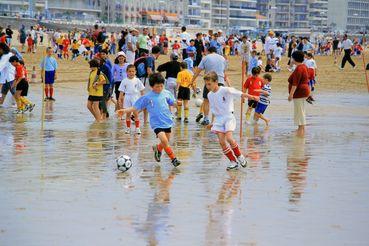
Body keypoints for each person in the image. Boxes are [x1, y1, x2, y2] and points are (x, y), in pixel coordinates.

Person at [117, 73, 181, 167]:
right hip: (156, 124)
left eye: (161, 86)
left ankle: (157, 149)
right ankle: (173, 159)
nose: (159, 88)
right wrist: (124, 110)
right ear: (151, 86)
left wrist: (177, 103)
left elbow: (172, 103)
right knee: (165, 141)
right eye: (157, 86)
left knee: (165, 141)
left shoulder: (166, 93)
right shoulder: (147, 97)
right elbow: (136, 107)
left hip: (167, 121)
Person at [205, 71, 255, 170]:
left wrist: (252, 97)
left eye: (209, 84)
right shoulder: (209, 95)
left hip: (228, 117)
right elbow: (214, 110)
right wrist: (212, 122)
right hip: (219, 119)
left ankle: (240, 156)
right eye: (206, 84)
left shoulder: (225, 90)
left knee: (229, 138)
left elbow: (239, 93)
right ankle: (233, 161)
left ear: (216, 82)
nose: (207, 86)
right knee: (222, 142)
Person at [191, 46, 230, 125]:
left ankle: (206, 119)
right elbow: (224, 72)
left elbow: (198, 70)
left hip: (209, 82)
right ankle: (218, 120)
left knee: (206, 100)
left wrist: (192, 80)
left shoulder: (206, 58)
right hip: (220, 81)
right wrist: (228, 84)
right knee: (218, 101)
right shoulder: (222, 58)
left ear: (208, 51)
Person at [134, 45, 161, 123]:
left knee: (146, 100)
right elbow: (149, 70)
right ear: (158, 53)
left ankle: (145, 120)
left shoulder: (148, 57)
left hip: (143, 80)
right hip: (146, 81)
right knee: (148, 100)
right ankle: (135, 114)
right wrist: (155, 80)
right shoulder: (150, 58)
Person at [288, 51, 310, 137]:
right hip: (302, 91)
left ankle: (301, 129)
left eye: (292, 57)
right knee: (300, 110)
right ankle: (300, 128)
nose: (291, 59)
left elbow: (295, 83)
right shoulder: (302, 66)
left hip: (300, 92)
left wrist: (291, 94)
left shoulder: (299, 68)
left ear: (294, 58)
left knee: (299, 111)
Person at [118, 64, 145, 134]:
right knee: (128, 114)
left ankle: (137, 128)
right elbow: (121, 92)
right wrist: (120, 99)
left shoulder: (137, 80)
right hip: (127, 97)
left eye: (133, 71)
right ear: (126, 72)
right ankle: (128, 128)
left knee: (136, 114)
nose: (131, 73)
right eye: (129, 71)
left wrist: (143, 99)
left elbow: (142, 90)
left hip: (135, 97)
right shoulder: (124, 81)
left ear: (135, 72)